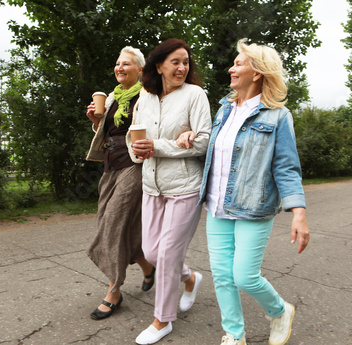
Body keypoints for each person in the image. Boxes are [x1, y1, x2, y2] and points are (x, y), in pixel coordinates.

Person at [179, 38, 310, 345]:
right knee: (223, 278)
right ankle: (234, 335)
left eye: (238, 63)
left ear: (258, 72)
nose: (231, 68)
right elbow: (214, 153)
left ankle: (279, 310)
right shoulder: (224, 110)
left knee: (244, 277)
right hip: (217, 206)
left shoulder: (278, 116)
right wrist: (188, 135)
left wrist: (298, 213)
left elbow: (287, 168)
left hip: (253, 208)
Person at [130, 38, 212, 344]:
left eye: (186, 62)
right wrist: (138, 150)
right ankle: (190, 278)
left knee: (165, 255)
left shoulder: (195, 95)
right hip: (151, 186)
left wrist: (159, 147)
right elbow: (133, 136)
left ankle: (162, 320)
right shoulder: (145, 95)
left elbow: (204, 140)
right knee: (152, 252)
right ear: (159, 65)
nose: (182, 67)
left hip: (186, 188)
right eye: (175, 61)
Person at [85, 46, 155, 321]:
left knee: (112, 223)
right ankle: (147, 266)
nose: (119, 67)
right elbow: (107, 131)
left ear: (140, 70)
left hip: (133, 165)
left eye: (126, 64)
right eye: (117, 63)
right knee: (112, 220)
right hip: (110, 164)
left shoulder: (147, 95)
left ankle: (114, 290)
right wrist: (95, 121)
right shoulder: (113, 96)